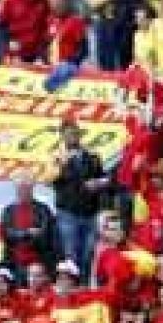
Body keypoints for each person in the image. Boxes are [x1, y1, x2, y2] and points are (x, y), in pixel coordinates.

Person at [51, 120, 109, 280]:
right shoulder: (56, 157)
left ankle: (84, 284)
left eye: (75, 133)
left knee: (89, 253)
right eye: (68, 134)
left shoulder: (92, 155)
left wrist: (98, 183)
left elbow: (104, 177)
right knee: (71, 254)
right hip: (68, 213)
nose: (72, 137)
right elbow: (49, 179)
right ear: (62, 136)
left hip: (91, 212)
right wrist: (62, 164)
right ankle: (73, 286)